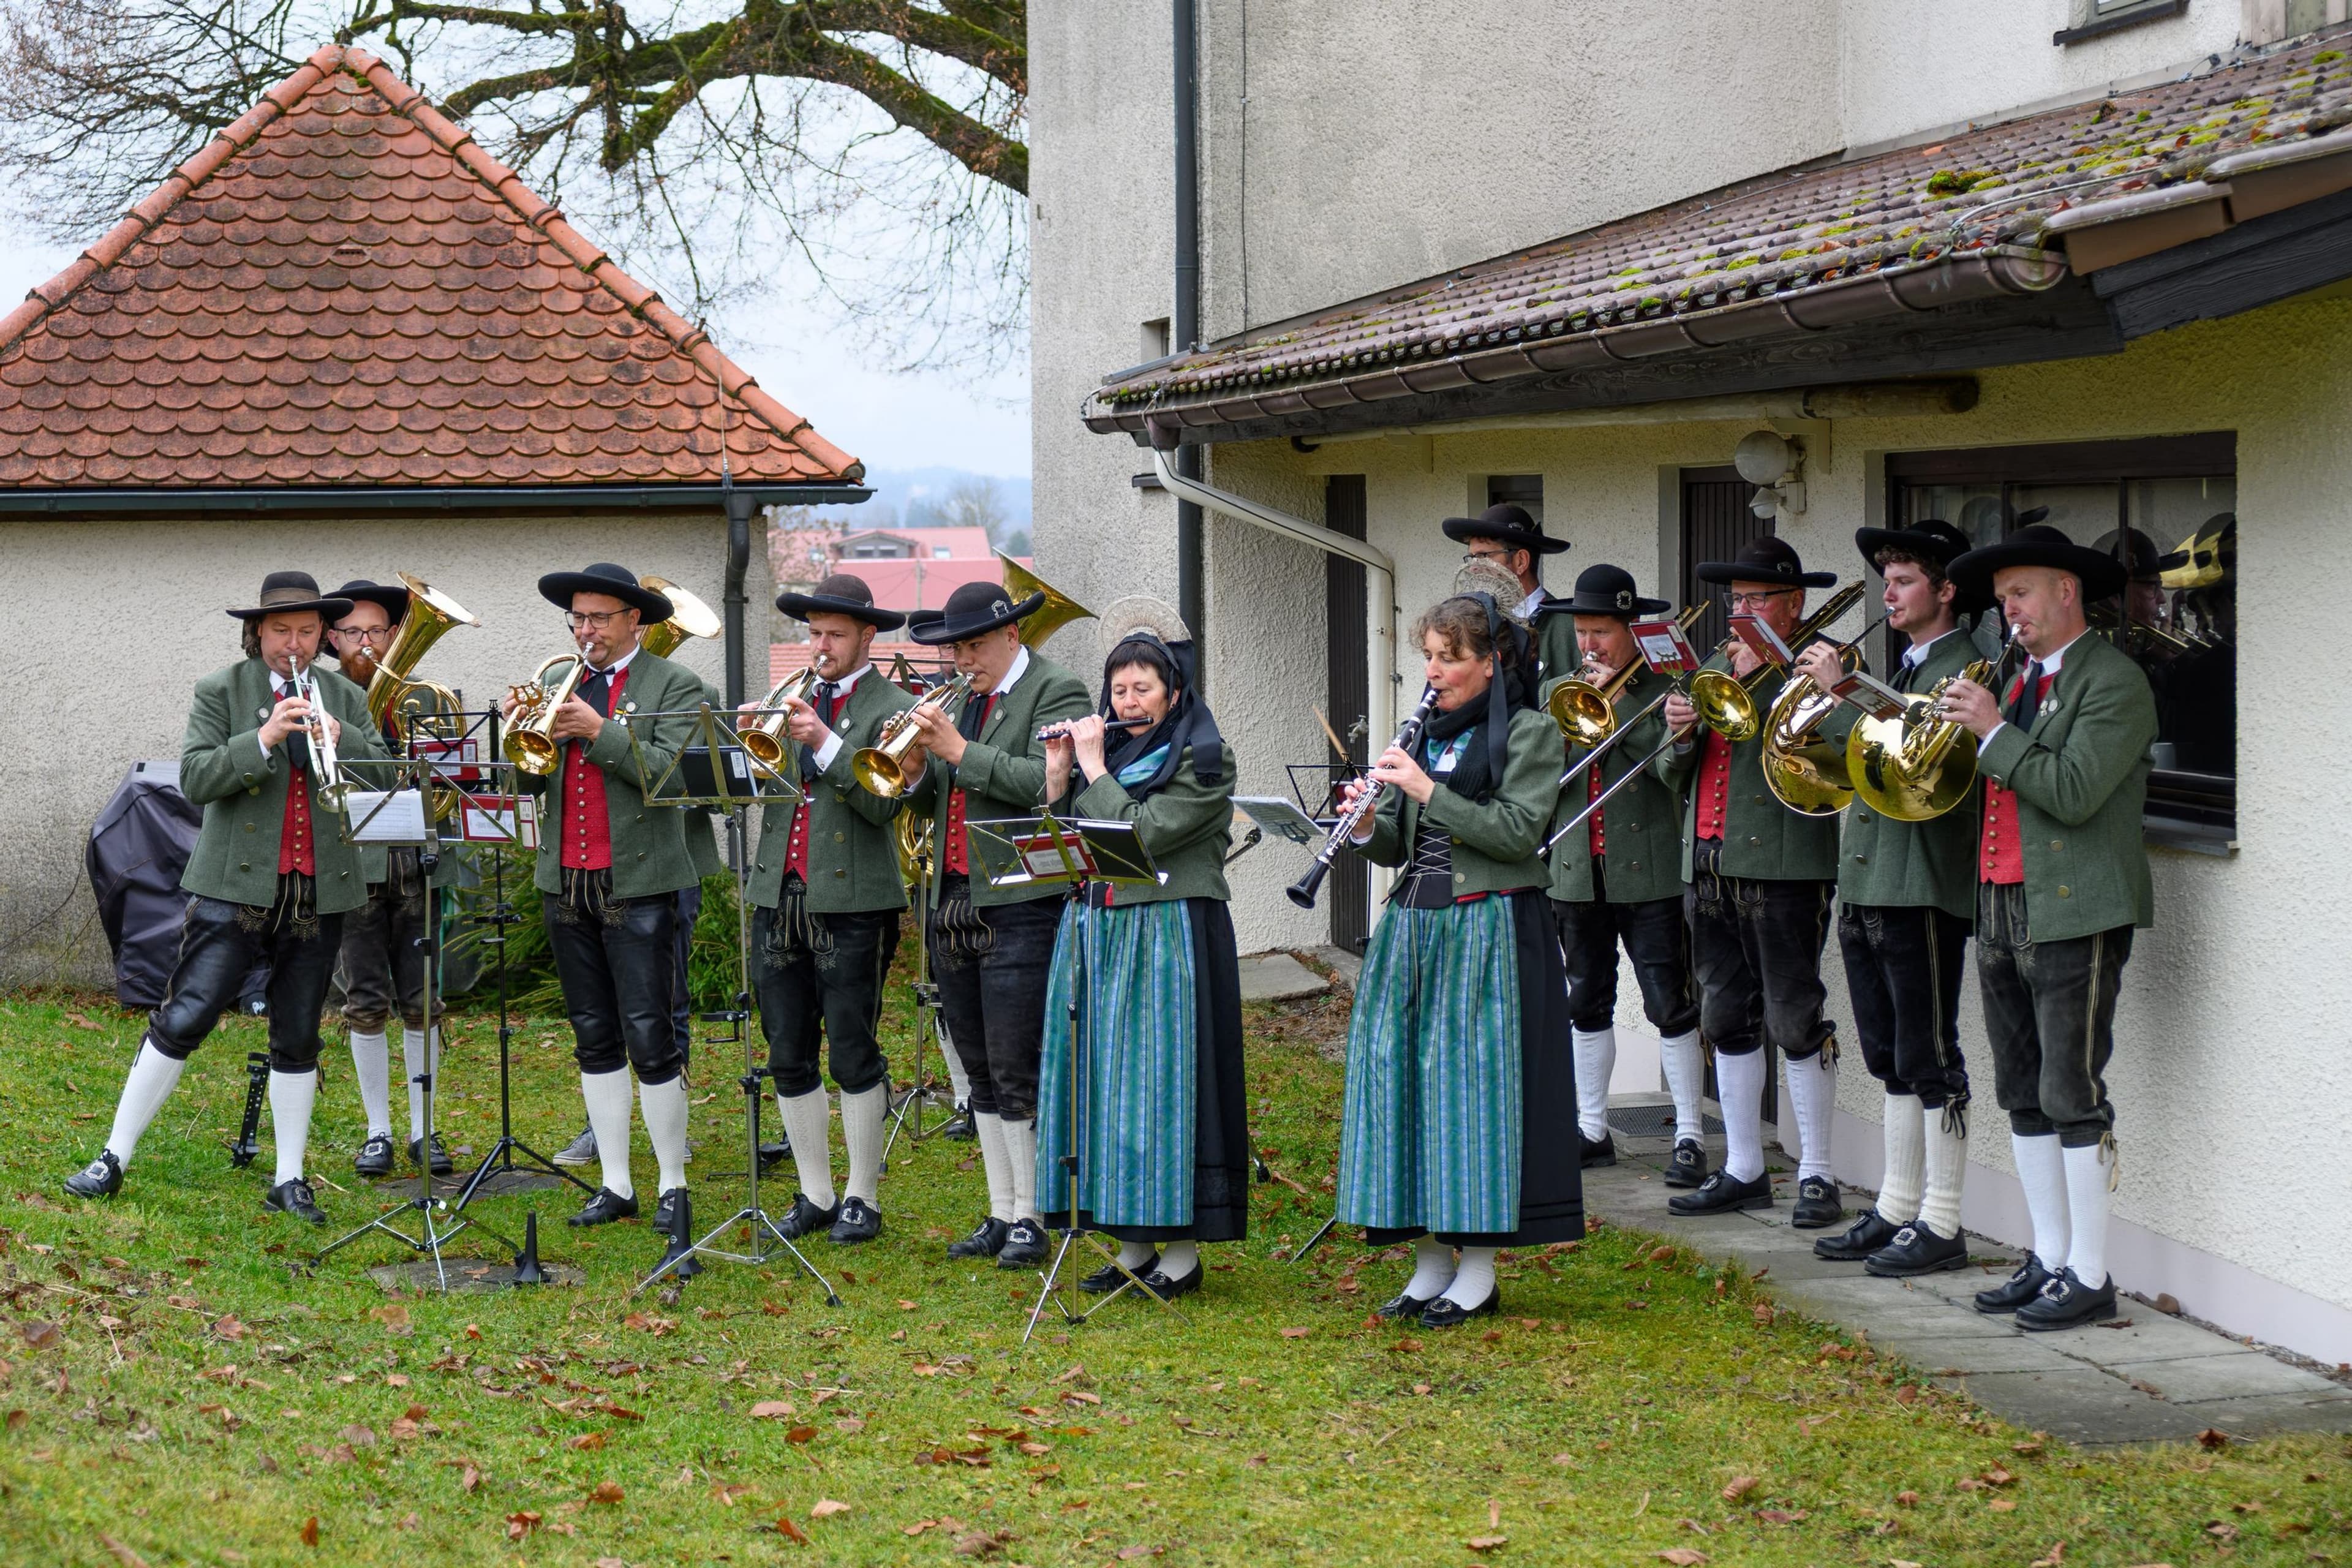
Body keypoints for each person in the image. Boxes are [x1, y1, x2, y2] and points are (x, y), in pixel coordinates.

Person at [66, 573, 386, 1222]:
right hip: (234, 886)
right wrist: (264, 738)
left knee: (298, 1034)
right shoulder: (222, 690)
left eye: (305, 631)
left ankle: (290, 1178)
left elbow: (379, 775)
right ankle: (112, 1156)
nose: (292, 644)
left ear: (324, 634)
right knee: (184, 1016)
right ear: (257, 633)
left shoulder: (348, 695)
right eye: (279, 631)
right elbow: (196, 777)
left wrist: (339, 735)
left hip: (321, 888)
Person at [1334, 590, 1578, 1328]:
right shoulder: (1427, 734)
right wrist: (1372, 818)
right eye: (1429, 657)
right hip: (1414, 927)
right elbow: (1399, 846)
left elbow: (1516, 832)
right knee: (1404, 1084)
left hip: (1489, 929)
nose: (1433, 672)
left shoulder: (1532, 733)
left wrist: (1424, 788)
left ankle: (1478, 1271)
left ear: (1492, 661)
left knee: (1474, 1098)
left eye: (1450, 658)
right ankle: (1429, 1265)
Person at [1936, 524, 2156, 1330]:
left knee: (2071, 1091)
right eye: (2001, 602)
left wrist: (1992, 730)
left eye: (2020, 594)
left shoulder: (2115, 681)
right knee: (2020, 1091)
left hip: (2075, 907)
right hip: (1998, 898)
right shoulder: (2017, 676)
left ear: (2068, 590)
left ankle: (2091, 1275)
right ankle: (2051, 1257)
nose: (2009, 613)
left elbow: (2070, 790)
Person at [1031, 599, 1247, 1302]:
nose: (1127, 701)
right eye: (1118, 689)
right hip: (1099, 931)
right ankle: (1132, 1243)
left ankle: (1180, 1251)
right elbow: (1059, 848)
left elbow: (1142, 834)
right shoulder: (1111, 757)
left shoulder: (1206, 758)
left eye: (1142, 688)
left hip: (1169, 935)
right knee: (1106, 1088)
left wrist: (1093, 769)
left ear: (1175, 692)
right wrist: (1061, 778)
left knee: (1162, 1090)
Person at [1793, 522, 1982, 1275]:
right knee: (1889, 1056)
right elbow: (1843, 758)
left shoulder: (1968, 667)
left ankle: (1944, 1220)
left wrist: (1852, 691)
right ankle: (1899, 1208)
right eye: (1888, 580)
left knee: (1931, 1054)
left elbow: (1926, 755)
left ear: (1945, 591)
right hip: (1868, 875)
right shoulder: (1897, 667)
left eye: (1905, 581)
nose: (1891, 594)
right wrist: (1828, 701)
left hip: (1925, 883)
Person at [899, 581, 1092, 1268]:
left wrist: (955, 749)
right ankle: (1000, 1207)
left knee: (1018, 1065)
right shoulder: (964, 701)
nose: (961, 659)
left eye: (973, 645)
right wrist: (919, 767)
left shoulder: (1057, 691)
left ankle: (1035, 1215)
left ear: (1012, 636)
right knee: (977, 1066)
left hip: (1021, 900)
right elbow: (938, 795)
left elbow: (1050, 787)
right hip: (951, 896)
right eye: (954, 647)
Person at [510, 562, 704, 1238]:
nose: (584, 630)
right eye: (577, 618)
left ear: (636, 623)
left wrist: (600, 730)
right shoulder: (554, 684)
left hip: (644, 879)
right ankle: (615, 1181)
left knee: (651, 1035)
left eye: (598, 618)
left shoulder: (674, 682)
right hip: (565, 878)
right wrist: (520, 737)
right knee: (593, 1034)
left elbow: (677, 775)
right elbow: (529, 785)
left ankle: (673, 1183)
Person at [1659, 537, 1846, 1228]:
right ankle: (1743, 1167)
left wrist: (1764, 686)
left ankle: (1819, 1173)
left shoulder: (1822, 665)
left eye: (1757, 599)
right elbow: (1667, 775)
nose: (1742, 611)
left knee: (1793, 1016)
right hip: (1705, 861)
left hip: (1786, 864)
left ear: (1794, 605)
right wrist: (1679, 733)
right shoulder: (1714, 663)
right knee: (1723, 1014)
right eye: (1737, 599)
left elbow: (1836, 760)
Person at [746, 575, 914, 1246]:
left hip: (853, 901)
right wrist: (751, 741)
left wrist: (825, 744)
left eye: (835, 634)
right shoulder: (791, 701)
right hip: (775, 893)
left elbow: (881, 806)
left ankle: (861, 1196)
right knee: (787, 1049)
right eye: (814, 633)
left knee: (852, 1050)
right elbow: (759, 785)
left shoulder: (896, 707)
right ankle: (815, 1190)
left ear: (867, 636)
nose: (821, 646)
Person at [1536, 564, 1708, 1186]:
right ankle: (1590, 1127)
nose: (1589, 645)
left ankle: (1689, 1131)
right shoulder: (1559, 688)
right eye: (1582, 632)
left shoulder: (1667, 688)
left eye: (1602, 632)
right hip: (1578, 871)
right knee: (1586, 998)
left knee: (1669, 1001)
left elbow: (1672, 774)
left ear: (1632, 631)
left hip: (1650, 872)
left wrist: (1626, 706)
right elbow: (1539, 776)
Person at [324, 578, 457, 1180]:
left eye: (379, 630)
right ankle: (378, 1129)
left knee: (423, 1001)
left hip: (419, 863)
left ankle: (423, 1128)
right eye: (353, 631)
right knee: (365, 998)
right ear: (332, 638)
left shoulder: (424, 701)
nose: (368, 642)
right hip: (354, 866)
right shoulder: (321, 697)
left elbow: (455, 783)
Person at [1442, 501, 1577, 682]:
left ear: (1521, 561)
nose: (1473, 568)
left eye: (1483, 556)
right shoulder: (1469, 624)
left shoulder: (1570, 629)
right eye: (1471, 558)